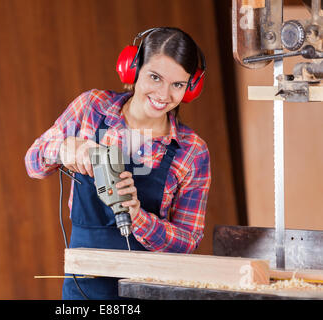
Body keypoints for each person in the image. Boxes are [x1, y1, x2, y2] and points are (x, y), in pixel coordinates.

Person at [25, 27, 211, 300]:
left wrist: (139, 218)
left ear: (190, 88)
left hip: (149, 290)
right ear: (133, 69)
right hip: (83, 291)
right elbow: (33, 162)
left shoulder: (191, 151)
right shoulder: (91, 108)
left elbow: (187, 241)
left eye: (177, 85)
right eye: (155, 77)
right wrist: (65, 148)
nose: (163, 94)